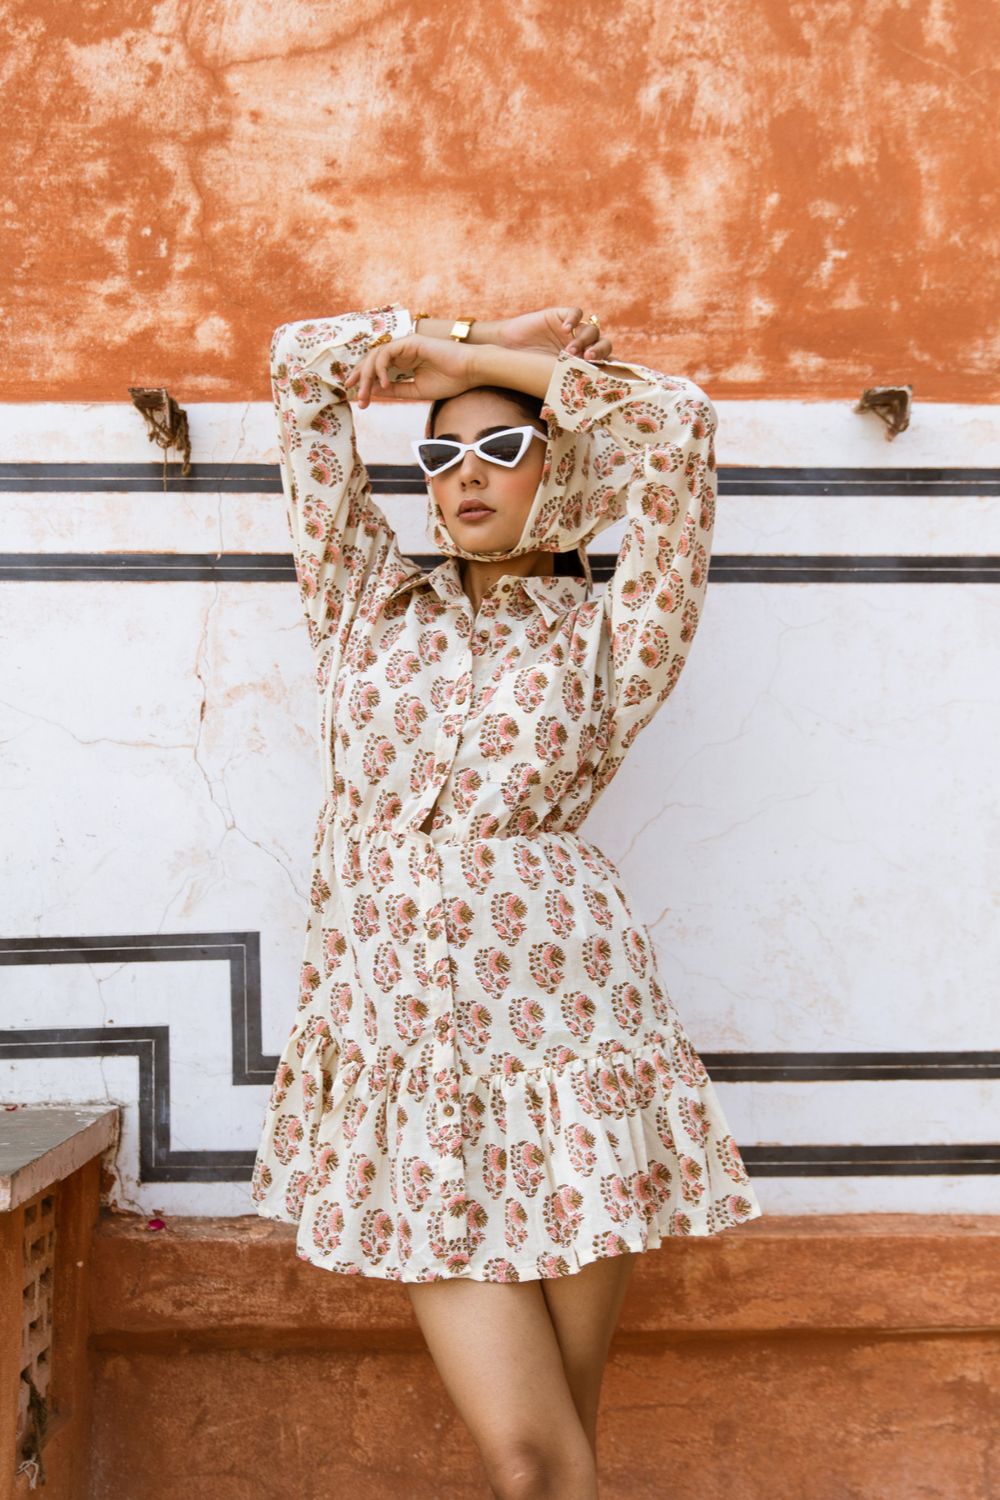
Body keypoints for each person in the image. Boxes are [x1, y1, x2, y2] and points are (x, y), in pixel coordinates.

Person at [251, 303, 763, 1498]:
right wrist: (470, 329)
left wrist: (482, 366)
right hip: (411, 1073)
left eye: (501, 446)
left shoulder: (612, 637)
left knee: (555, 1457)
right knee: (534, 1461)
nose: (464, 475)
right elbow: (297, 366)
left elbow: (681, 426)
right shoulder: (361, 598)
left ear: (562, 464)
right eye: (440, 453)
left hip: (574, 1062)